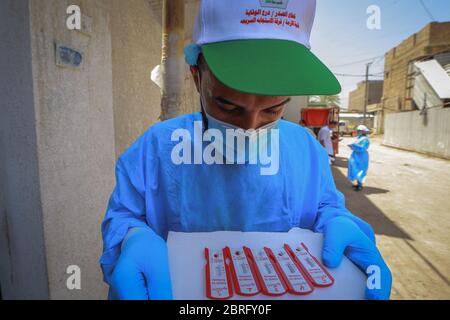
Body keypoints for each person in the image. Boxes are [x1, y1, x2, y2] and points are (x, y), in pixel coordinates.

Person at [100, 0, 391, 300]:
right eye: (227, 106)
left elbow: (324, 207)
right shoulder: (157, 148)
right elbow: (123, 216)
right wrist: (130, 238)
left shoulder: (305, 149)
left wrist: (336, 221)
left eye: (273, 109)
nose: (250, 128)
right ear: (197, 75)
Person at [348, 125, 370, 191]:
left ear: (363, 131)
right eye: (358, 130)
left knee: (361, 170)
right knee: (355, 169)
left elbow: (362, 148)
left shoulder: (365, 139)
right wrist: (352, 146)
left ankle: (360, 185)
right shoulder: (359, 138)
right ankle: (358, 183)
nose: (358, 132)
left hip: (362, 156)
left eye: (359, 131)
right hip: (356, 155)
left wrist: (353, 146)